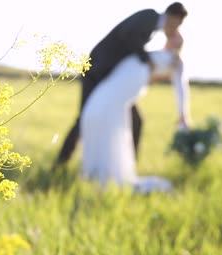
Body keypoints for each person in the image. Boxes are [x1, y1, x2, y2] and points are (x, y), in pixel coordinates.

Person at [52, 3, 189, 170]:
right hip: (96, 71)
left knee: (136, 121)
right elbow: (128, 36)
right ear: (173, 17)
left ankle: (129, 167)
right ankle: (60, 163)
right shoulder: (150, 16)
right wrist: (147, 60)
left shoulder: (152, 28)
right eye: (178, 23)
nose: (176, 28)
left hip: (112, 80)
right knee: (84, 117)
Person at [79, 34, 192, 193]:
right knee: (114, 122)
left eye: (178, 39)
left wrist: (183, 114)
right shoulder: (151, 56)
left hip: (117, 94)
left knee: (117, 123)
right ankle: (102, 173)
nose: (174, 41)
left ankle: (108, 173)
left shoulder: (175, 61)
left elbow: (181, 88)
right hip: (116, 93)